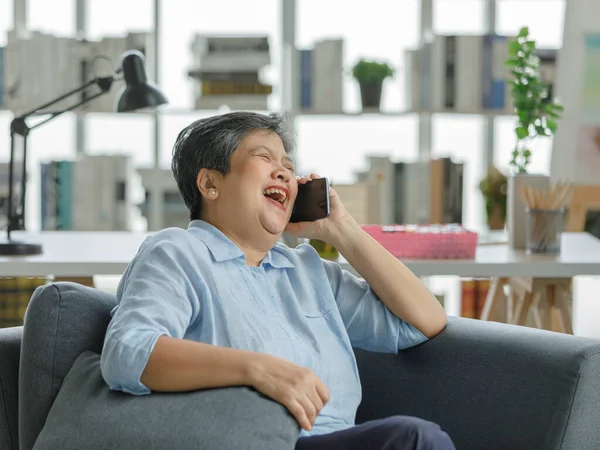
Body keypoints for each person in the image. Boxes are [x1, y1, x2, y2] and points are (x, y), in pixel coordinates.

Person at [100, 111, 454, 450]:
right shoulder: (179, 253)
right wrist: (257, 369)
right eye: (264, 158)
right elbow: (128, 352)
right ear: (210, 184)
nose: (284, 173)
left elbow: (423, 322)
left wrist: (342, 231)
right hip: (249, 442)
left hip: (334, 438)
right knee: (414, 442)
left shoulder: (307, 271)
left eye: (288, 166)